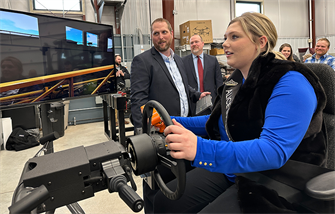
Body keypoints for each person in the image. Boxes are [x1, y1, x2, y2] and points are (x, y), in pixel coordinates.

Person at [153, 12, 326, 213]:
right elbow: (218, 120)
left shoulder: (290, 82)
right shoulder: (236, 82)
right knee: (164, 201)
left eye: (234, 37)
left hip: (274, 178)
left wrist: (200, 148)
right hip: (235, 169)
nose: (225, 43)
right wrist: (171, 122)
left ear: (261, 42)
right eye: (225, 37)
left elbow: (272, 151)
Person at [130, 17, 209, 214]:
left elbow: (181, 87)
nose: (160, 37)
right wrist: (146, 139)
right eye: (156, 33)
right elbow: (138, 101)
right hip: (159, 138)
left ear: (172, 34)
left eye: (164, 32)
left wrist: (196, 94)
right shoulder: (143, 61)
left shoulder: (179, 60)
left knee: (181, 183)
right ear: (152, 37)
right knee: (156, 187)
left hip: (185, 132)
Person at [182, 34, 223, 115]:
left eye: (196, 42)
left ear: (202, 43)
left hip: (211, 102)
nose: (194, 44)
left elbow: (219, 82)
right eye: (191, 43)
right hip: (192, 103)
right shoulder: (183, 61)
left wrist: (220, 101)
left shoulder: (212, 60)